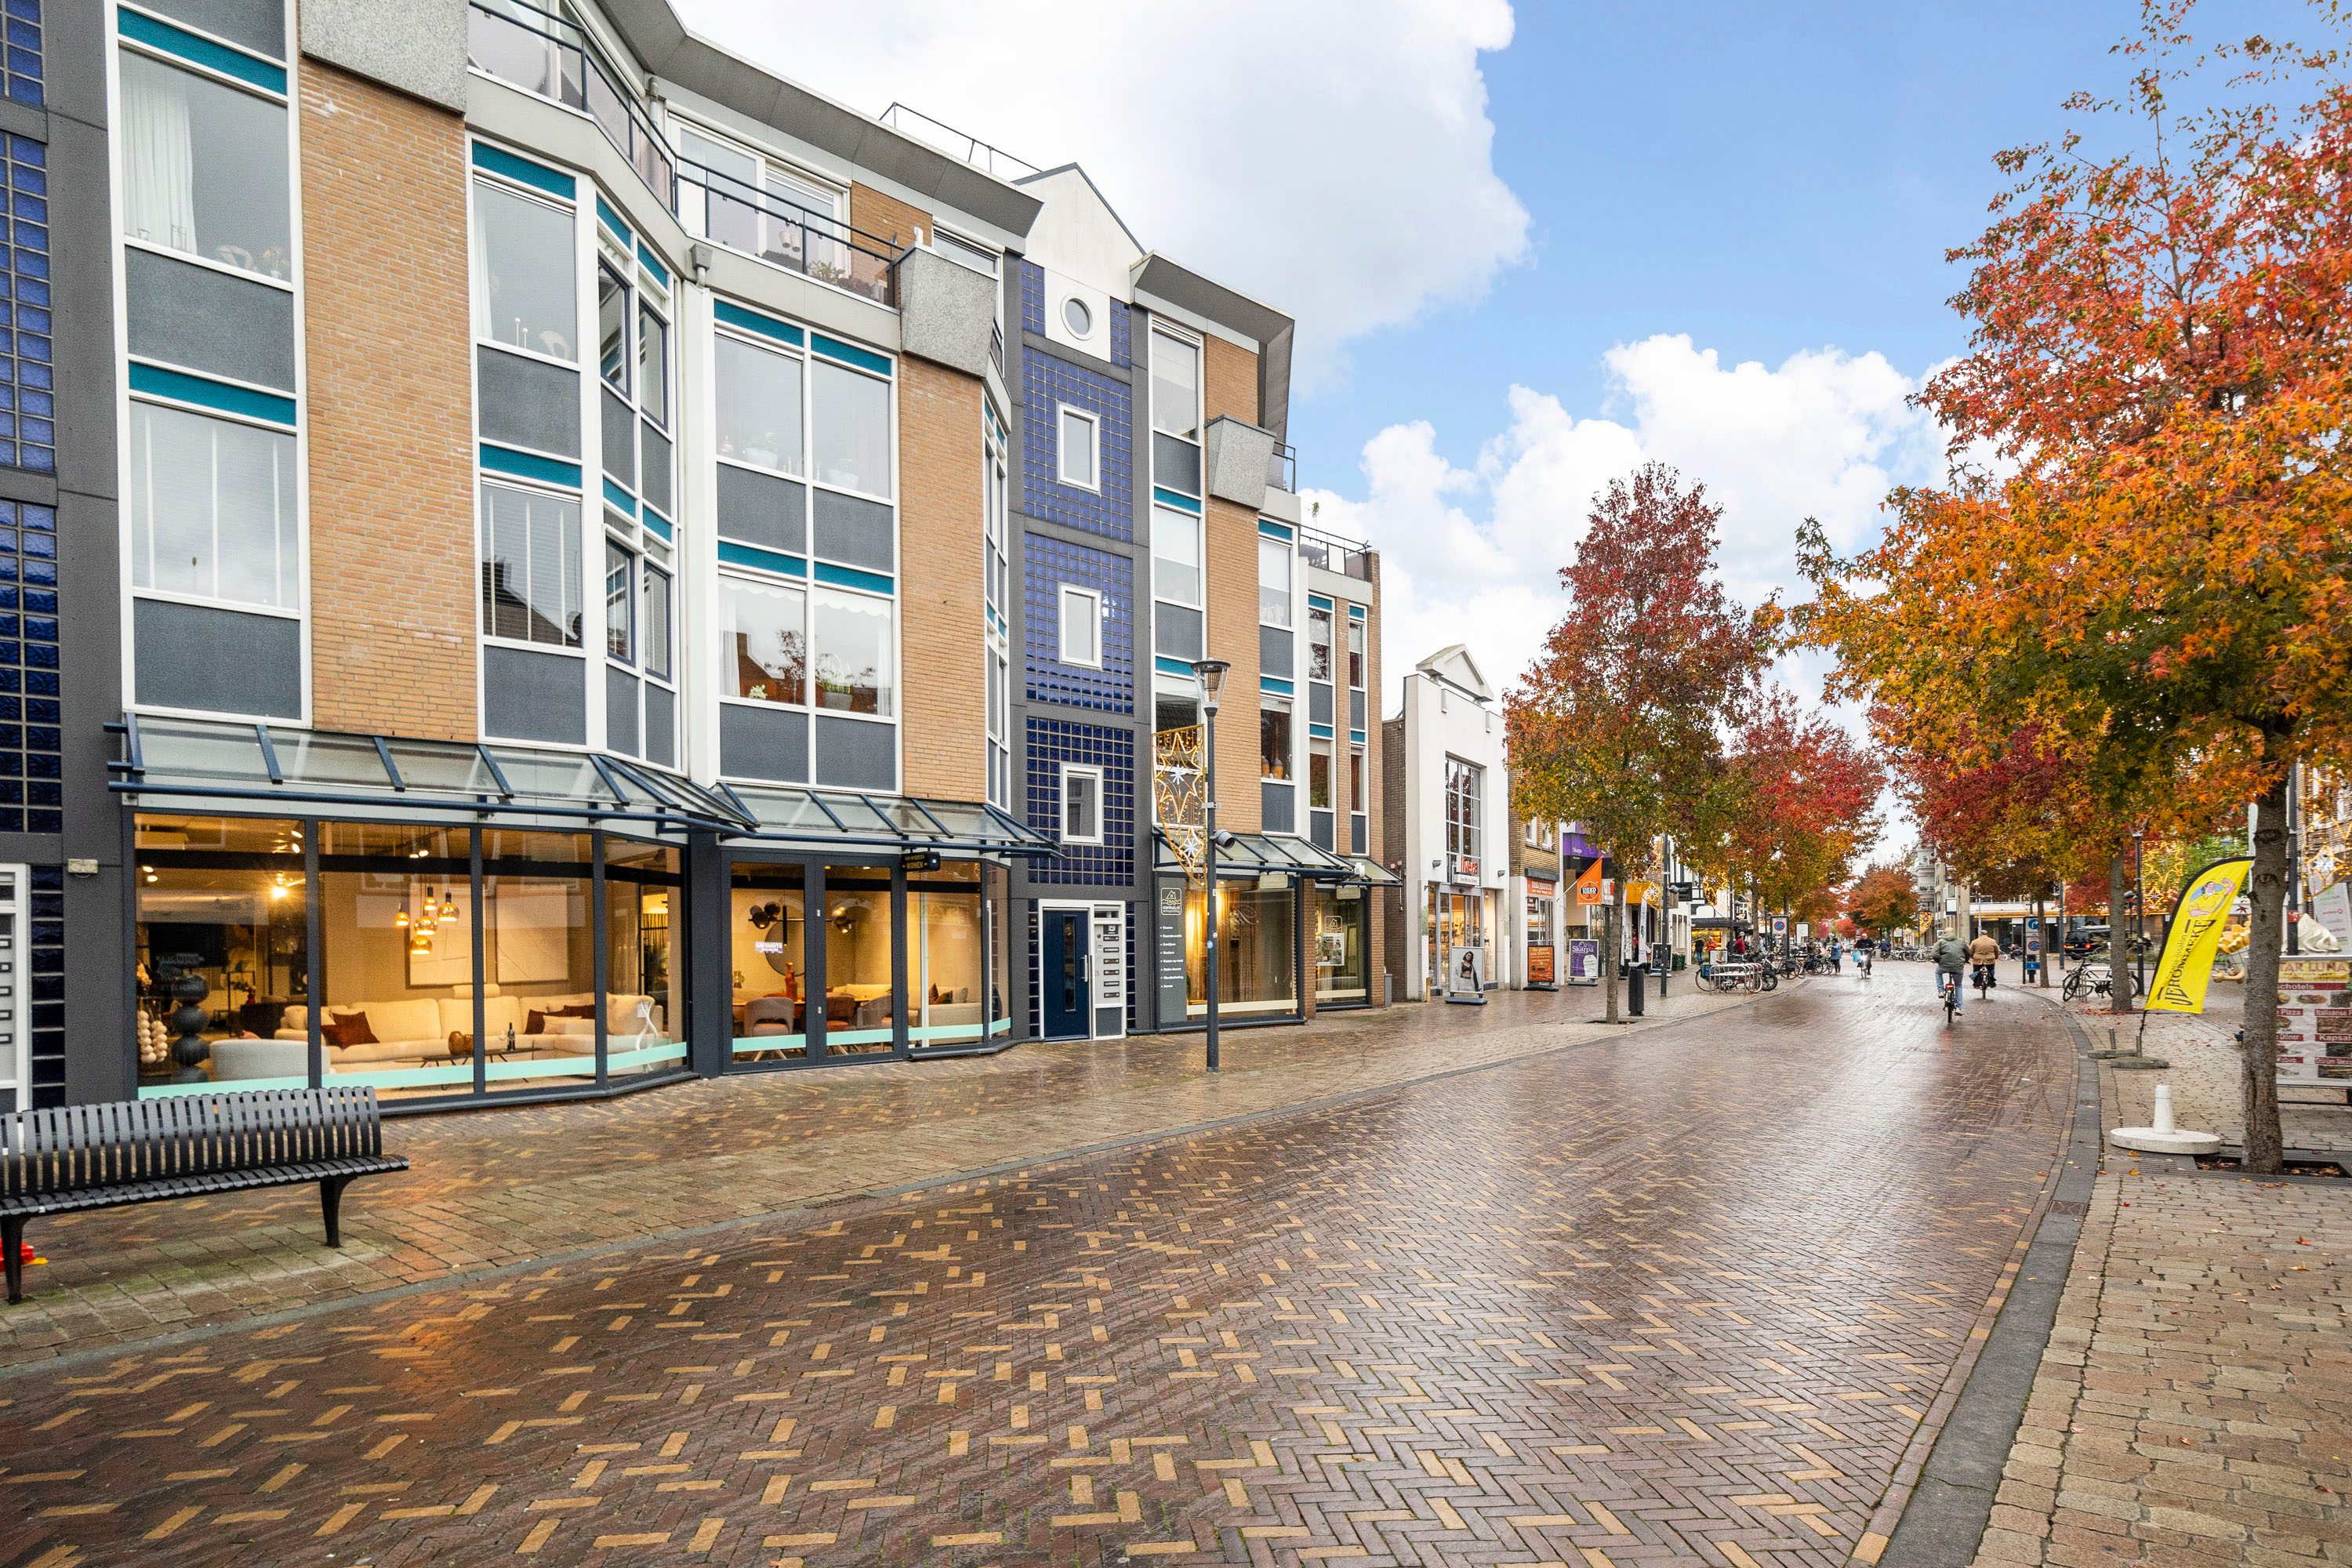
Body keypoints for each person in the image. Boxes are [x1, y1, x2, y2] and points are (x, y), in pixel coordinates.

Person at [1933, 930, 1970, 1013]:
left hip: (1944, 965)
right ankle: (1959, 1008)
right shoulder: (1961, 941)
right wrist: (1966, 961)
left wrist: (1939, 961)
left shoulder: (1940, 941)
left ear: (1944, 933)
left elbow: (1934, 954)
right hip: (1958, 966)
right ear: (1954, 933)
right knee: (1958, 986)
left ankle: (1941, 991)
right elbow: (1968, 953)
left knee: (1938, 972)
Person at [1969, 928, 2000, 993]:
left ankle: (1976, 984)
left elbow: (1970, 951)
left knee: (1976, 970)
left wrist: (1972, 957)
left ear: (1980, 934)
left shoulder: (1975, 941)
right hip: (1990, 959)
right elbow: (1996, 950)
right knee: (1991, 969)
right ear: (1987, 934)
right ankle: (1992, 980)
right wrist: (1996, 957)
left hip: (1978, 959)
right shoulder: (1993, 941)